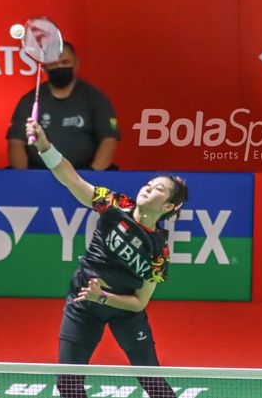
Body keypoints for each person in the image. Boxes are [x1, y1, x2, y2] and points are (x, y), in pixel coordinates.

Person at [25, 117, 188, 398]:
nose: (148, 187)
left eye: (159, 189)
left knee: (153, 382)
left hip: (123, 311)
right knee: (69, 384)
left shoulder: (158, 251)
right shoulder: (115, 205)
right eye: (149, 183)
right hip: (83, 304)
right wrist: (44, 146)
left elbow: (139, 302)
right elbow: (71, 179)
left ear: (170, 206)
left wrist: (102, 297)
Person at [7, 41, 121, 171]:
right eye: (53, 64)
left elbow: (109, 139)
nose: (59, 67)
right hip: (39, 174)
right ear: (44, 67)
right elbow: (16, 142)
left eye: (65, 62)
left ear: (76, 64)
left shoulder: (95, 98)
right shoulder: (30, 100)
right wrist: (24, 178)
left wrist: (90, 177)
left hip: (84, 175)